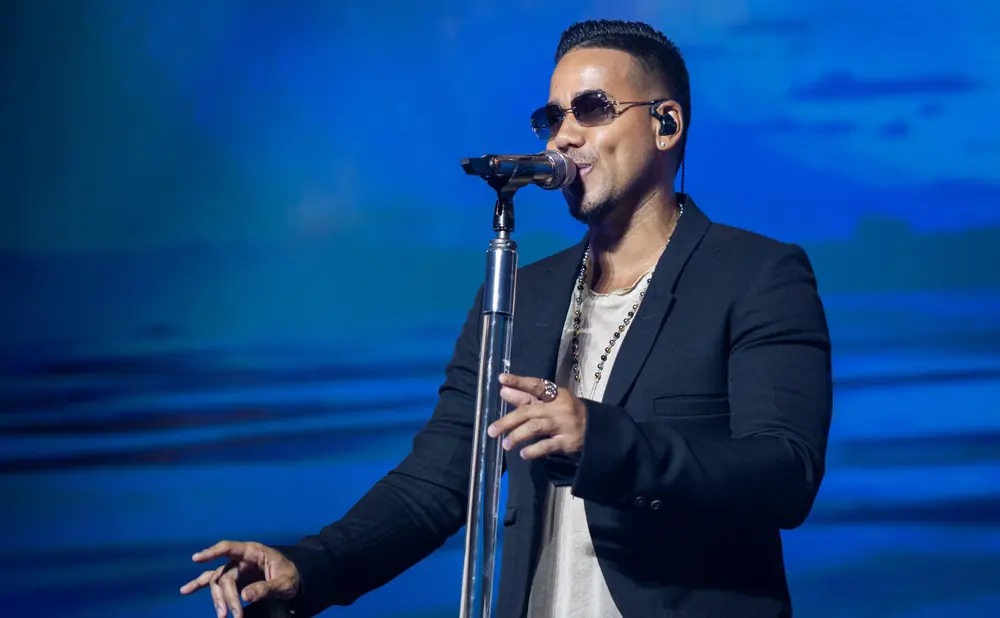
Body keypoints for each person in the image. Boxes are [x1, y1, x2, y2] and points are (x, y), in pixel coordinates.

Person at [180, 19, 832, 618]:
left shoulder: (756, 276)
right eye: (551, 118)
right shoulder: (521, 294)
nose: (564, 136)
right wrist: (307, 567)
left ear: (666, 124)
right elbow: (437, 482)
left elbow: (784, 474)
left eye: (593, 109)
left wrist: (601, 439)